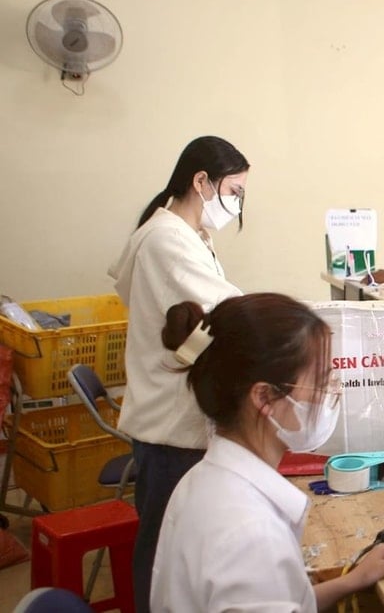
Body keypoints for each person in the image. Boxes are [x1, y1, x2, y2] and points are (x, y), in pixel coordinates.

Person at [151, 293, 384, 612]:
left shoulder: (203, 480)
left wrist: (351, 581)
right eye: (323, 380)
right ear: (265, 397)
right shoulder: (248, 533)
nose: (333, 391)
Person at [108, 135, 248, 612]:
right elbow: (226, 309)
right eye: (234, 191)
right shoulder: (166, 239)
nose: (237, 203)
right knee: (163, 548)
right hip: (170, 424)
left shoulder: (184, 235)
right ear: (201, 181)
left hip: (171, 413)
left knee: (171, 541)